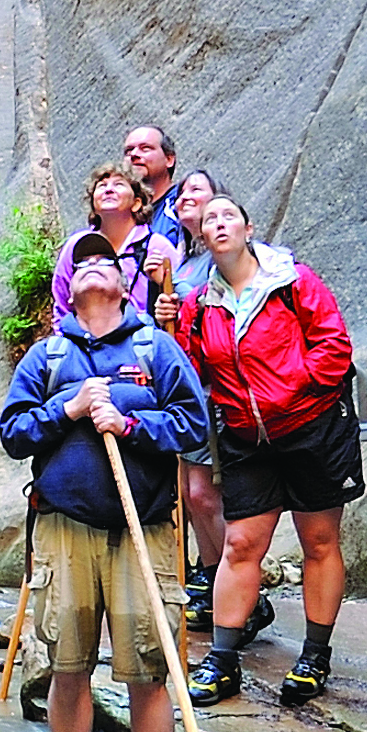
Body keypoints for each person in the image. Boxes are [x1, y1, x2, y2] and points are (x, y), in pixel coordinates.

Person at [0, 235, 211, 732]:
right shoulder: (47, 355)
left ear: (125, 284)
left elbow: (194, 425)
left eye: (106, 261)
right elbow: (13, 433)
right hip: (63, 528)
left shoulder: (155, 348)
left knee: (148, 666)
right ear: (68, 288)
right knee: (67, 666)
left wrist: (132, 424)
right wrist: (66, 409)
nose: (95, 267)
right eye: (83, 263)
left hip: (143, 528)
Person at [175, 193, 358, 707]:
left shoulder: (294, 281)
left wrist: (290, 393)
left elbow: (334, 347)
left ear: (248, 228)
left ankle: (314, 655)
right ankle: (224, 657)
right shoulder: (198, 304)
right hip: (246, 438)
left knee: (319, 542)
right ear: (203, 237)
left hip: (310, 430)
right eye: (209, 220)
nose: (218, 223)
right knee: (239, 545)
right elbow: (191, 370)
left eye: (227, 214)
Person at [144, 168, 230, 629]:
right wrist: (164, 305)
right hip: (193, 388)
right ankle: (215, 578)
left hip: (229, 389)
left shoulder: (232, 257)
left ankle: (235, 587)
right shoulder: (185, 263)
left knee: (210, 494)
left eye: (196, 189)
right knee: (192, 493)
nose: (184, 199)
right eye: (182, 195)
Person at [51, 165, 159, 324]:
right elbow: (62, 301)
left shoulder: (154, 246)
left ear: (136, 203)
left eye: (119, 184)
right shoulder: (77, 246)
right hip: (88, 342)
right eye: (101, 186)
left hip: (142, 340)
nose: (109, 190)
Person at [122, 124, 183, 242]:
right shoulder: (120, 214)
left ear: (169, 159)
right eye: (129, 151)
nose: (134, 155)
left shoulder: (183, 202)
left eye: (145, 148)